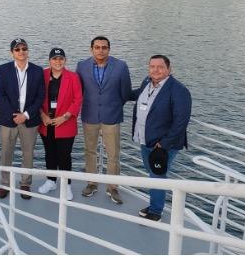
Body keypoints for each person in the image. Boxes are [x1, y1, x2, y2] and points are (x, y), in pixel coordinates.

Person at [132, 55, 192, 222]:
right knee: (153, 173)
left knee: (157, 175)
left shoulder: (179, 90)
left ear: (169, 69)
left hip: (163, 145)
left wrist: (163, 144)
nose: (155, 70)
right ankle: (154, 205)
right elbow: (137, 94)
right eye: (152, 66)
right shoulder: (147, 82)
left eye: (160, 67)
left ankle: (156, 211)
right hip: (145, 140)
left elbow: (181, 121)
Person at [76, 36, 132, 204]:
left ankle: (113, 187)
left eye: (104, 47)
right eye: (97, 47)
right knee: (90, 151)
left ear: (109, 49)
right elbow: (79, 91)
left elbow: (125, 92)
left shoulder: (121, 66)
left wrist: (113, 105)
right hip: (90, 115)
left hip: (112, 116)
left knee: (113, 154)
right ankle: (91, 183)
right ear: (91, 49)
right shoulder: (81, 66)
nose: (100, 50)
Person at [0, 38, 44, 199]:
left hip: (30, 119)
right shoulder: (2, 70)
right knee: (6, 153)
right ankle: (4, 184)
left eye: (24, 48)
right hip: (9, 120)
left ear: (27, 51)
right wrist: (13, 115)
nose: (21, 52)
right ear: (12, 53)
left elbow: (40, 96)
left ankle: (25, 184)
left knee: (28, 153)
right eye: (17, 49)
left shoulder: (37, 71)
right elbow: (0, 95)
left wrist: (26, 115)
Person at [37, 48, 82, 200]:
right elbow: (35, 97)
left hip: (65, 123)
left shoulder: (73, 77)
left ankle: (66, 185)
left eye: (61, 58)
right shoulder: (42, 75)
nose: (58, 61)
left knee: (64, 156)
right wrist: (42, 115)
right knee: (49, 154)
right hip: (46, 123)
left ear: (65, 60)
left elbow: (78, 100)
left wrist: (65, 117)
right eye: (55, 59)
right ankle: (51, 181)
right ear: (49, 61)